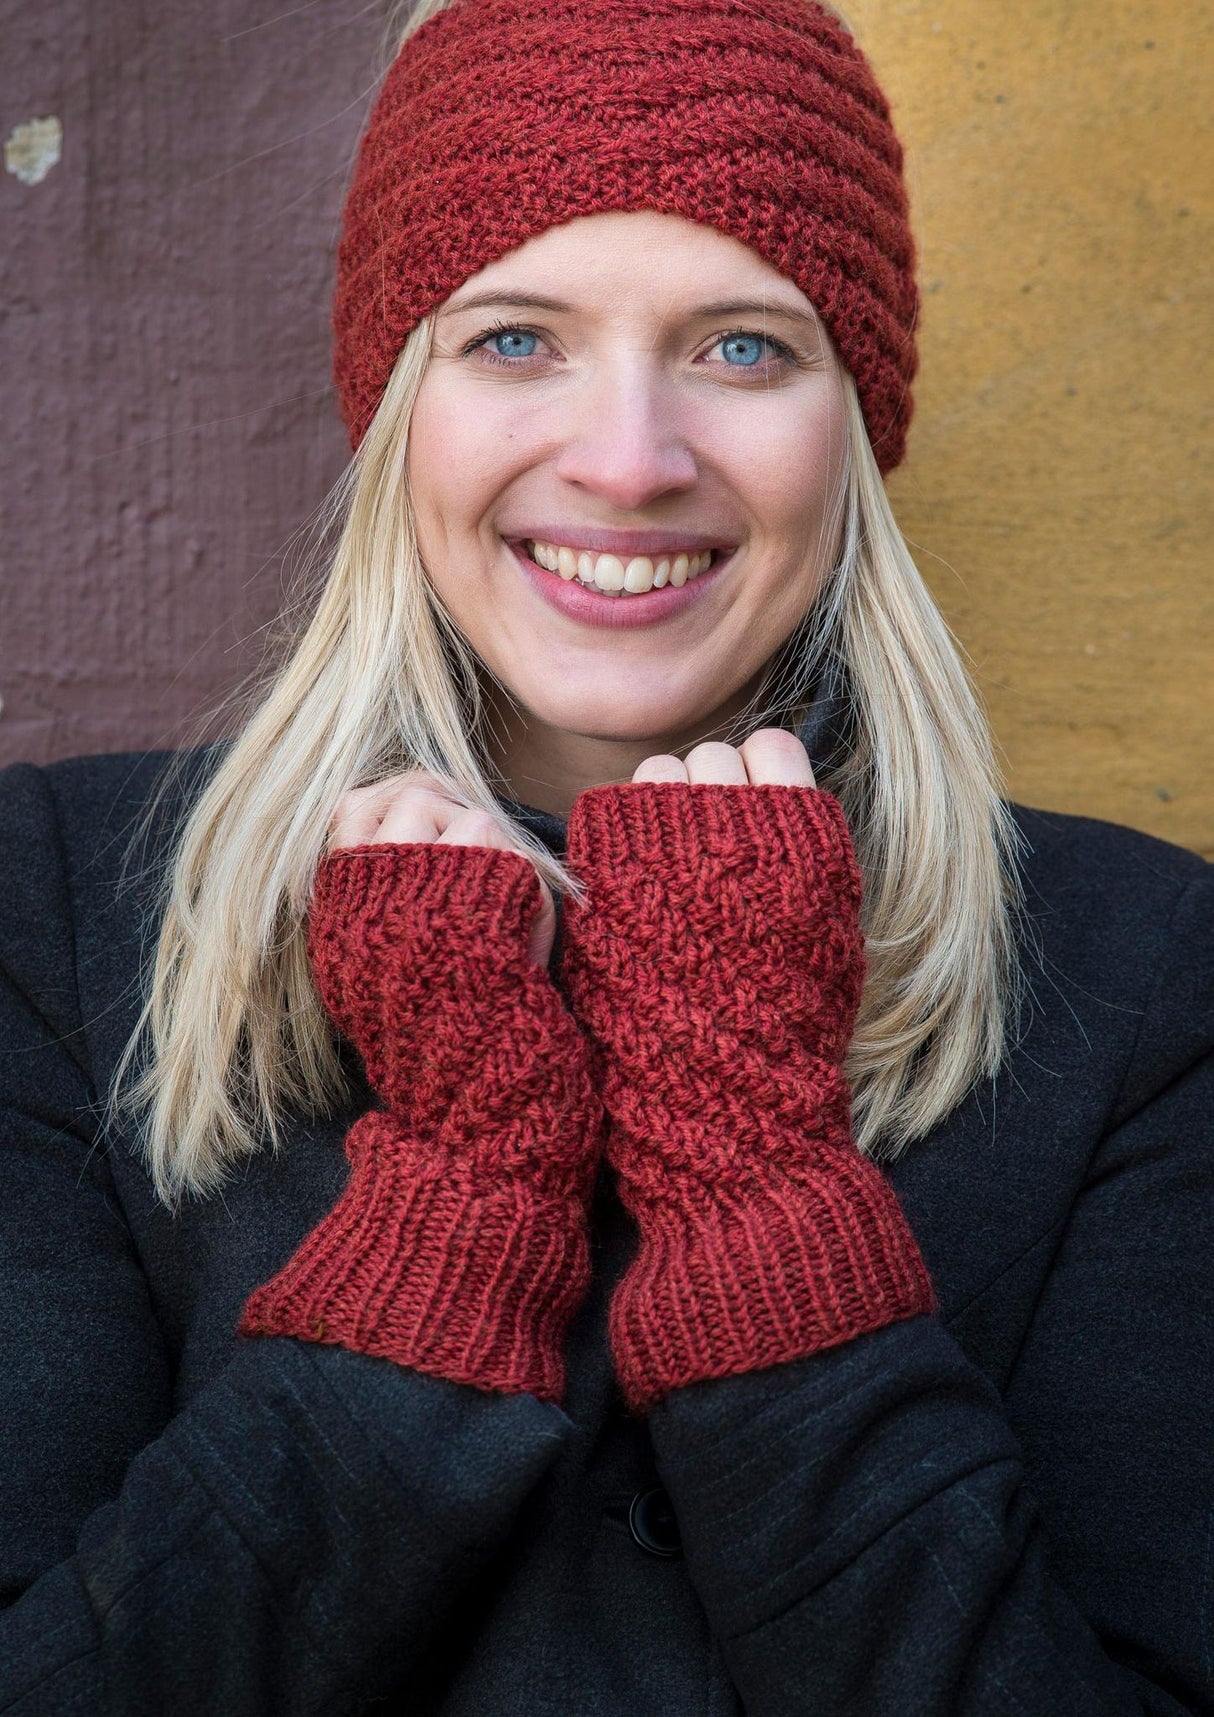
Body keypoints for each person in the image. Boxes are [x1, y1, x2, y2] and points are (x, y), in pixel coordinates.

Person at [1, 0, 1209, 1710]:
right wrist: (457, 1214)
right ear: (396, 402)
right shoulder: (54, 909)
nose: (629, 460)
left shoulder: (1146, 971)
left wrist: (752, 1185)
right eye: (513, 340)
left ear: (851, 429)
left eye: (739, 347)